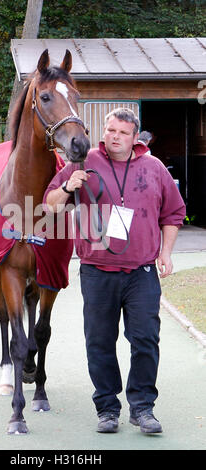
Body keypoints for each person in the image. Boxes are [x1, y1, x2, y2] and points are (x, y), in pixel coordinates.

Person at [43, 108, 186, 434]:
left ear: (135, 138)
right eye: (109, 130)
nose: (114, 137)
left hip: (141, 273)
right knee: (100, 342)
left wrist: (165, 252)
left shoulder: (154, 168)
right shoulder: (81, 162)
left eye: (122, 132)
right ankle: (107, 408)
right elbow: (49, 204)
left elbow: (174, 212)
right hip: (97, 271)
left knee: (146, 340)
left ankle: (143, 408)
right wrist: (68, 188)